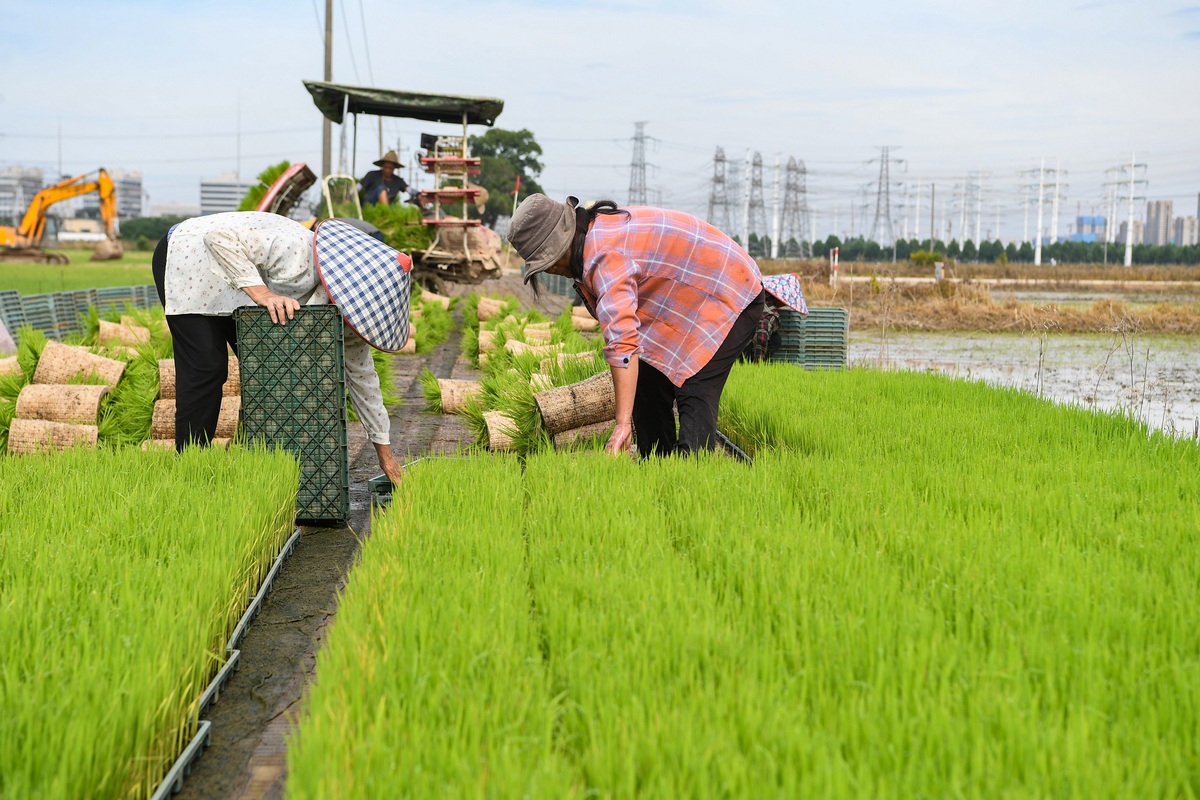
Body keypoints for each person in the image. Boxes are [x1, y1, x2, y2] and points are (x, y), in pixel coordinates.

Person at [151, 211, 407, 484]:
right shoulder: (294, 249)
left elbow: (363, 379)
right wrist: (263, 294)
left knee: (271, 369)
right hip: (189, 258)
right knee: (207, 367)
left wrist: (385, 455)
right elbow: (217, 238)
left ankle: (272, 467)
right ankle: (190, 471)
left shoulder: (350, 315)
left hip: (237, 284)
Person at [508, 194, 765, 457]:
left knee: (694, 387)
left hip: (731, 290)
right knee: (646, 383)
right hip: (685, 300)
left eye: (547, 263)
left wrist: (622, 424)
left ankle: (693, 469)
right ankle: (655, 465)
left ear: (560, 246)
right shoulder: (591, 237)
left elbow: (622, 343)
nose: (548, 270)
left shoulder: (604, 256)